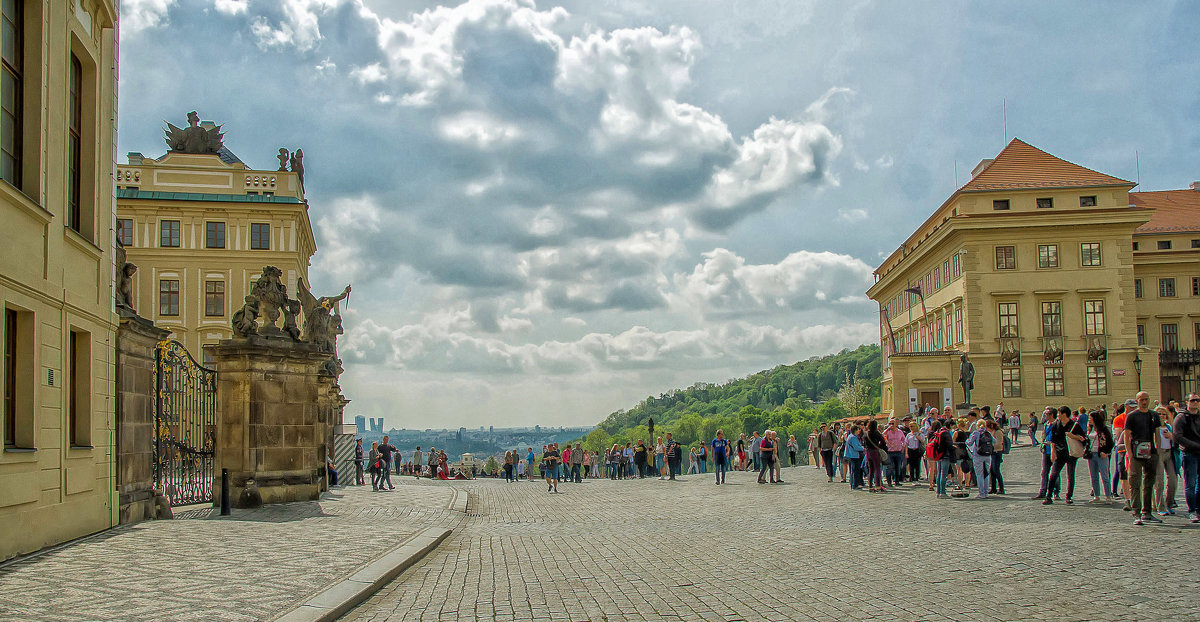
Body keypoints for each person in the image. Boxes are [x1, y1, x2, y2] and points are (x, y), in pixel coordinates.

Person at [1124, 392, 1162, 525]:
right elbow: (1127, 435)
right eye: (1141, 400)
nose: (1144, 402)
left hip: (1151, 452)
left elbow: (1157, 433)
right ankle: (1136, 512)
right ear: (1137, 400)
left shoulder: (1154, 415)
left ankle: (1147, 512)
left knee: (1149, 482)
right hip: (1136, 452)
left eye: (1146, 399)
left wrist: (1158, 451)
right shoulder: (1132, 416)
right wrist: (1129, 453)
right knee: (1135, 482)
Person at [1043, 406, 1084, 505]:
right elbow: (1053, 440)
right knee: (1053, 475)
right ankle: (1049, 496)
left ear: (1064, 414)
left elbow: (1083, 439)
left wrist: (1073, 436)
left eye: (1059, 413)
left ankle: (1069, 496)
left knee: (1070, 475)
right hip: (1060, 453)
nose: (1057, 415)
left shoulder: (1074, 425)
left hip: (1071, 453)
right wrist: (1053, 452)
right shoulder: (1057, 424)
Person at [1173, 393, 1200, 523]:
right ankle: (1192, 510)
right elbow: (1178, 436)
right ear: (1187, 402)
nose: (1195, 402)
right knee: (1191, 483)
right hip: (1189, 453)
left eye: (1198, 400)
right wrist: (1195, 445)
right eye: (1193, 400)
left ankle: (1198, 509)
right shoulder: (1181, 417)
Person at [1086, 410, 1115, 503]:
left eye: (1090, 418)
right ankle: (1096, 496)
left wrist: (1106, 451)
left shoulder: (1103, 429)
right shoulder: (1090, 429)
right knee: (1093, 476)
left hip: (1101, 454)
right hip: (1091, 454)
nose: (1089, 420)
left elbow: (1110, 442)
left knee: (1104, 475)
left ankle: (1108, 496)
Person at [1153, 407, 1177, 516]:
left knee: (1173, 480)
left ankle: (1169, 504)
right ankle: (1160, 506)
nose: (1161, 416)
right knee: (1159, 482)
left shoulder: (1169, 427)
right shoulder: (1153, 427)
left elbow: (1176, 440)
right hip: (1158, 454)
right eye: (1159, 414)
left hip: (1169, 453)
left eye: (1163, 414)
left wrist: (1171, 436)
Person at [966, 417, 993, 499]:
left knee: (979, 474)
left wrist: (966, 440)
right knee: (986, 474)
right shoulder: (988, 433)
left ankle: (981, 493)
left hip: (978, 455)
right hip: (988, 455)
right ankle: (986, 492)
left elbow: (970, 443)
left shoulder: (976, 433)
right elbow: (994, 441)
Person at [863, 420, 886, 492]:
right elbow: (883, 441)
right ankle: (878, 485)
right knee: (877, 469)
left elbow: (864, 443)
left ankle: (870, 486)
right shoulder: (876, 433)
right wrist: (879, 446)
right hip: (875, 451)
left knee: (871, 469)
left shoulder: (866, 433)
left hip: (868, 452)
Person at [883, 418, 907, 488]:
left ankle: (896, 481)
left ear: (896, 424)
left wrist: (903, 446)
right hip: (890, 452)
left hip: (898, 451)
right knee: (889, 467)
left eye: (892, 424)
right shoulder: (887, 432)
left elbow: (904, 440)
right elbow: (882, 435)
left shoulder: (900, 432)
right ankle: (889, 482)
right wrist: (887, 429)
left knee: (898, 467)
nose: (891, 425)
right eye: (889, 424)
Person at [987, 420, 1006, 495]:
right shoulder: (992, 432)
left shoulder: (998, 432)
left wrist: (990, 446)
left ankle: (1001, 488)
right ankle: (993, 488)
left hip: (997, 452)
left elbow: (999, 443)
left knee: (996, 470)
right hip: (992, 452)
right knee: (992, 470)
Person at [844, 425, 864, 490]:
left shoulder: (851, 436)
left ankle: (854, 484)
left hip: (852, 455)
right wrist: (863, 448)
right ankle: (855, 484)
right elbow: (856, 447)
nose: (859, 431)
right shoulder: (853, 437)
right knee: (855, 470)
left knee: (853, 470)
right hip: (854, 455)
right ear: (855, 430)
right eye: (858, 429)